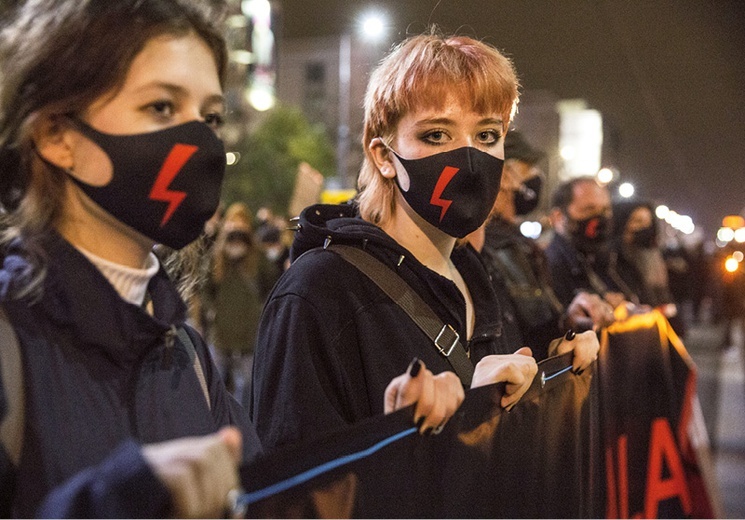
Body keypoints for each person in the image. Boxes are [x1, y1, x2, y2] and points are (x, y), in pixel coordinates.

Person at [0, 1, 458, 516]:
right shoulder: (12, 345)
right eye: (161, 108)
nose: (199, 140)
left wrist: (393, 432)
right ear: (56, 135)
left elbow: (272, 506)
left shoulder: (185, 353)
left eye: (210, 117)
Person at [249, 32, 598, 452]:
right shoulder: (319, 291)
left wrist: (552, 368)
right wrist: (428, 426)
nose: (469, 159)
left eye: (487, 135)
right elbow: (300, 495)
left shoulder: (477, 276)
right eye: (436, 135)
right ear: (383, 157)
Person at [467, 132, 615, 360]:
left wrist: (568, 319)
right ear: (505, 175)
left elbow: (536, 324)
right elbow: (526, 333)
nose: (535, 177)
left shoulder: (516, 243)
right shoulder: (493, 244)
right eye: (528, 169)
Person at [201, 201, 277, 401]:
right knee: (216, 386)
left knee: (249, 387)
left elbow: (273, 282)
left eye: (241, 224)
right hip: (221, 333)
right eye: (233, 224)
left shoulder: (257, 256)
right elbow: (204, 288)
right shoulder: (217, 256)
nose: (237, 231)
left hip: (249, 334)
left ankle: (244, 427)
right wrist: (212, 310)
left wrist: (262, 310)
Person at [545, 176, 639, 310]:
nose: (600, 218)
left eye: (605, 210)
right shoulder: (547, 267)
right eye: (589, 210)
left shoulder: (608, 259)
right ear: (559, 217)